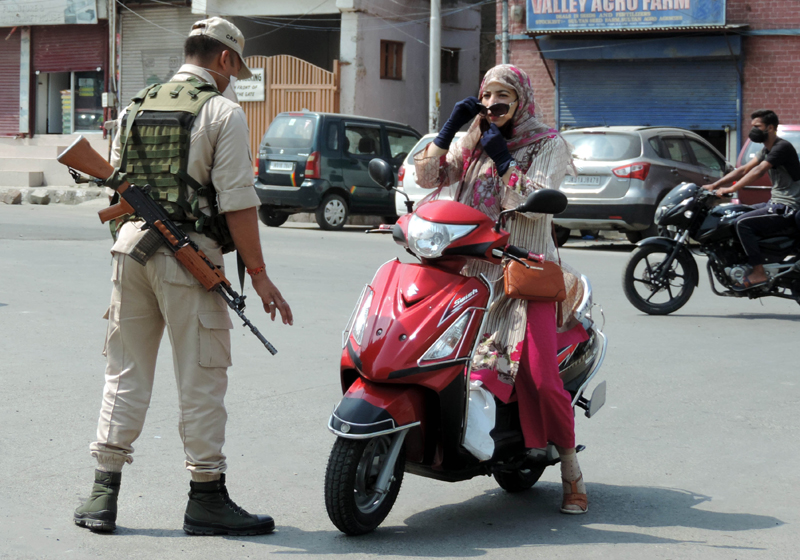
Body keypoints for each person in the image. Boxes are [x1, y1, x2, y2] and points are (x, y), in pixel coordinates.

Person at [73, 17, 293, 535]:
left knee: (124, 372)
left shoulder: (135, 104)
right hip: (189, 257)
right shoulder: (222, 112)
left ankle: (102, 493)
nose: (232, 80)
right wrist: (259, 274)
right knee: (202, 378)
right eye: (233, 70)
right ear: (224, 59)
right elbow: (238, 202)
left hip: (131, 251)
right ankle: (206, 497)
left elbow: (116, 183)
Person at [415, 64, 589, 514]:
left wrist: (505, 161)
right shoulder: (473, 139)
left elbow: (536, 204)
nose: (492, 105)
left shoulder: (547, 143)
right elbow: (428, 179)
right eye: (487, 96)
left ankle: (571, 469)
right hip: (468, 270)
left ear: (521, 99)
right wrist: (448, 132)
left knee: (542, 377)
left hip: (523, 273)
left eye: (502, 96)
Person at [704, 109, 800, 289]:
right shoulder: (766, 150)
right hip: (775, 202)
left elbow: (759, 171)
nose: (753, 129)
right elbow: (743, 170)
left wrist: (731, 188)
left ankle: (758, 271)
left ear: (770, 128)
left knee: (742, 223)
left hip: (788, 205)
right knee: (733, 214)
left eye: (757, 126)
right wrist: (714, 185)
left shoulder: (782, 147)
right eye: (752, 126)